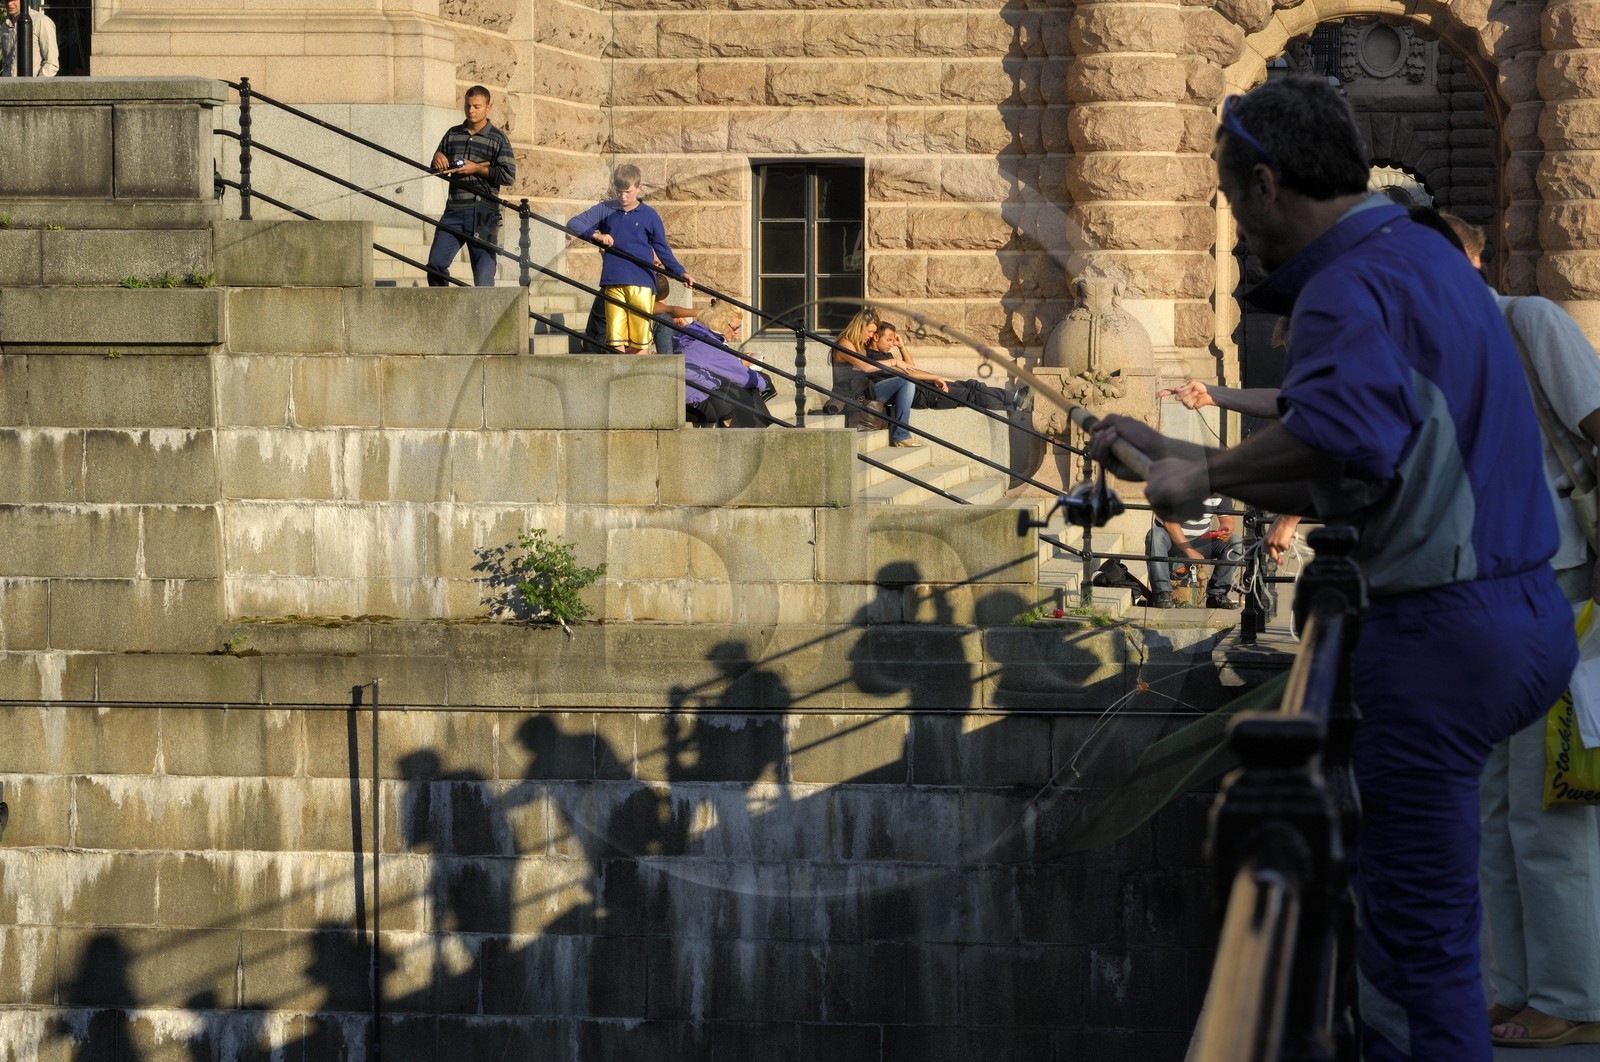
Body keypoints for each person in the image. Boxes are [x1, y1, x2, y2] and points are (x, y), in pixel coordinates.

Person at [1089, 76, 1574, 1062]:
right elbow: (1365, 472)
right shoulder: (1424, 258)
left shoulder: (1341, 286)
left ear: (1265, 183)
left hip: (1443, 635)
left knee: (1418, 942)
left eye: (1229, 204)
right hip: (1526, 618)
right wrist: (1165, 457)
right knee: (1426, 911)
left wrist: (1205, 474)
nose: (1236, 233)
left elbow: (1342, 432)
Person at [1439, 212, 1600, 1049]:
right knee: (1495, 803)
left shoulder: (1529, 320)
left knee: (1549, 802)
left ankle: (1573, 998)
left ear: (1470, 259)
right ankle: (1512, 987)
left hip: (1555, 583)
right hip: (1484, 595)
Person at [567, 165, 694, 355]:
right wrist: (596, 236)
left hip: (641, 282)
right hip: (613, 281)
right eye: (619, 191)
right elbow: (574, 223)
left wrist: (681, 272)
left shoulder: (649, 215)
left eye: (627, 191)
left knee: (640, 339)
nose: (623, 196)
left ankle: (638, 379)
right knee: (616, 337)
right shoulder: (606, 208)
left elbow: (662, 249)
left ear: (638, 188)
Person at [425, 85, 516, 288]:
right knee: (435, 264)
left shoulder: (498, 139)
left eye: (477, 106)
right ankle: (443, 312)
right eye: (468, 106)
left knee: (483, 278)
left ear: (488, 107)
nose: (471, 111)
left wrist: (477, 169)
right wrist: (437, 157)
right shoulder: (453, 134)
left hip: (484, 214)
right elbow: (438, 166)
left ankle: (487, 320)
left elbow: (508, 176)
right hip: (454, 210)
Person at [872, 322, 1029, 413]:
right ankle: (1014, 400)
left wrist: (902, 347)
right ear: (876, 337)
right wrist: (935, 377)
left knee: (972, 385)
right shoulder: (873, 359)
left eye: (893, 340)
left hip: (926, 387)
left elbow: (911, 369)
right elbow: (907, 376)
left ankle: (1014, 401)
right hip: (923, 395)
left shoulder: (886, 355)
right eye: (889, 340)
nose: (891, 343)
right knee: (970, 395)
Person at [829, 307, 916, 447]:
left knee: (907, 382)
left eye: (873, 332)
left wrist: (901, 348)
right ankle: (901, 434)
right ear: (859, 327)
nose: (871, 335)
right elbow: (865, 367)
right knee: (905, 383)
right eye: (869, 331)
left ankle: (900, 432)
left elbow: (911, 369)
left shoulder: (860, 347)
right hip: (852, 395)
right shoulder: (844, 344)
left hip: (865, 390)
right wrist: (894, 361)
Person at [679, 302, 775, 428]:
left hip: (692, 396)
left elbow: (721, 365)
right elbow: (741, 376)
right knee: (749, 387)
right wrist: (766, 385)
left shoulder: (696, 335)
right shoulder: (708, 344)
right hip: (695, 404)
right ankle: (759, 433)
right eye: (735, 328)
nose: (736, 333)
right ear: (721, 324)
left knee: (743, 389)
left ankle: (757, 431)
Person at [1146, 496, 1240, 609]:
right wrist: (1189, 551)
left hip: (1200, 540)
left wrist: (1224, 531)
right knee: (1155, 535)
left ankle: (1217, 595)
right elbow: (1170, 523)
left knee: (1235, 542)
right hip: (1169, 538)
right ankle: (1162, 593)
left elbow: (1227, 520)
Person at [2, 0, 58, 77]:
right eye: (6, 0)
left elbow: (52, 63)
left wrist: (35, 85)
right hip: (8, 85)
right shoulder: (5, 24)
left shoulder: (41, 21)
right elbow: (7, 63)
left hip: (32, 85)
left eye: (14, 0)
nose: (9, 4)